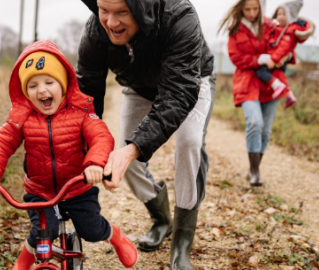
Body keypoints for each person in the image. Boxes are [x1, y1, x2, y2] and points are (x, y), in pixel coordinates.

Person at [0, 40, 138, 269]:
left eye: (49, 82)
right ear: (24, 91)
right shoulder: (22, 119)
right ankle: (23, 262)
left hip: (78, 187)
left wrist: (95, 164)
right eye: (32, 86)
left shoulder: (80, 114)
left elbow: (101, 137)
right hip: (40, 191)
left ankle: (114, 235)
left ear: (63, 85)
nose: (42, 90)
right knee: (42, 232)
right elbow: (0, 144)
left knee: (91, 229)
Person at [76, 0, 215, 269]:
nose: (111, 23)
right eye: (104, 10)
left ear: (140, 8)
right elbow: (87, 99)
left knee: (189, 142)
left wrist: (133, 149)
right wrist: (81, 150)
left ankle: (182, 242)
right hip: (139, 87)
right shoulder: (95, 31)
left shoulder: (179, 15)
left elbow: (178, 93)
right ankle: (162, 219)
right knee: (124, 156)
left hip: (190, 83)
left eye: (121, 13)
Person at [219, 0, 313, 186]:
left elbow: (287, 38)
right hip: (247, 83)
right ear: (241, 9)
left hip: (271, 83)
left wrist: (288, 55)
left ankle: (255, 169)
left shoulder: (270, 24)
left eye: (255, 8)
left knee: (266, 130)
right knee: (255, 122)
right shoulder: (235, 29)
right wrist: (259, 59)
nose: (252, 13)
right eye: (247, 9)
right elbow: (236, 58)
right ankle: (254, 172)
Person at [256, 0, 314, 108]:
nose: (281, 17)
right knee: (280, 75)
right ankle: (289, 94)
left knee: (261, 72)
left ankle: (277, 86)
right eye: (279, 14)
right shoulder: (279, 28)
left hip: (276, 58)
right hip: (277, 58)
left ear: (290, 16)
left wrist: (274, 59)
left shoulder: (289, 30)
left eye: (284, 14)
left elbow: (284, 47)